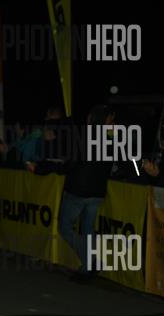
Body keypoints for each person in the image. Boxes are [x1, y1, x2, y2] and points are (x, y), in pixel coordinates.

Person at [58, 104, 116, 282]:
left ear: (91, 118)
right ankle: (87, 266)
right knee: (87, 230)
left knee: (65, 228)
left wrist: (49, 167)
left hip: (78, 190)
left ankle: (90, 262)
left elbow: (71, 162)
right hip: (97, 192)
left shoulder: (84, 136)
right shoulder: (110, 139)